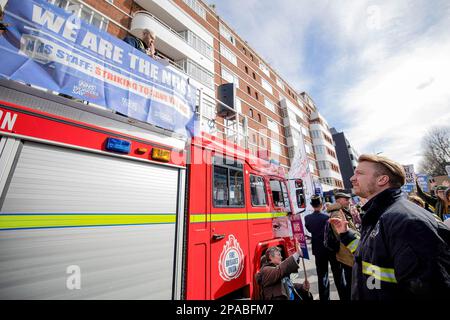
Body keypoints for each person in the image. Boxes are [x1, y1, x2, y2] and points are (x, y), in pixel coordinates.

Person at [330, 154, 450, 300]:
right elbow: (373, 256)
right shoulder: (379, 215)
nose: (352, 178)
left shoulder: (406, 222)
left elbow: (429, 290)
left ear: (382, 179)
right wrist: (346, 234)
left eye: (359, 173)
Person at [305, 195, 346, 300]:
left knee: (322, 276)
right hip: (331, 249)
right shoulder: (327, 217)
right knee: (338, 275)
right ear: (322, 205)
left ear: (311, 205)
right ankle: (344, 296)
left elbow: (309, 230)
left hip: (318, 250)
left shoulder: (307, 218)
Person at [324, 202, 359, 301]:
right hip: (347, 255)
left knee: (349, 281)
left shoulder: (339, 212)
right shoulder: (337, 214)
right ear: (340, 201)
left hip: (346, 254)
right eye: (346, 199)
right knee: (351, 282)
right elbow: (342, 236)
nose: (348, 201)